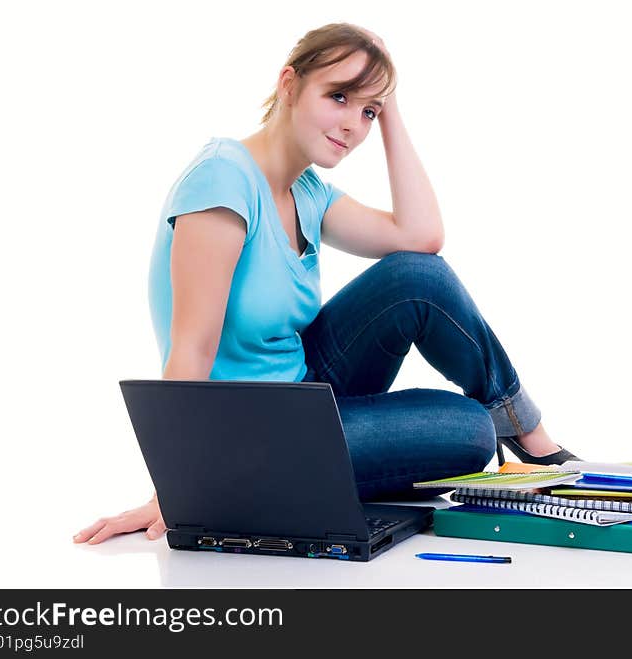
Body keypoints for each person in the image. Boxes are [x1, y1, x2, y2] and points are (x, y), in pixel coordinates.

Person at [74, 23, 580, 546]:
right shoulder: (222, 180)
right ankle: (267, 483)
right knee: (471, 430)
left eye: (367, 112)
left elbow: (421, 237)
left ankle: (529, 433)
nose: (352, 125)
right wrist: (178, 489)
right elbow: (191, 349)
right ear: (289, 85)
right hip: (251, 436)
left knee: (416, 276)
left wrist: (389, 107)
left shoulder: (308, 191)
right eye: (338, 97)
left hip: (308, 393)